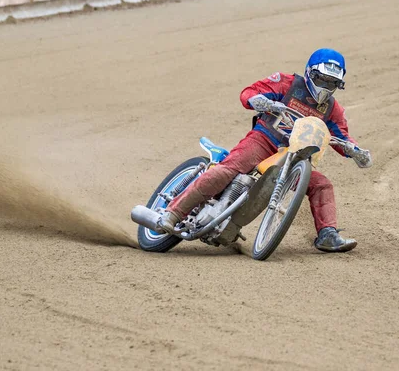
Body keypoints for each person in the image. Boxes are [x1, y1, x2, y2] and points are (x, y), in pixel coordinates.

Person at [157, 48, 372, 252]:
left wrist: (355, 151)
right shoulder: (286, 83)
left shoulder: (333, 109)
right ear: (309, 73)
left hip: (295, 156)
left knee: (321, 184)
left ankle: (327, 234)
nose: (325, 86)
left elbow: (342, 137)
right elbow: (249, 93)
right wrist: (260, 101)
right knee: (227, 171)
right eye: (322, 79)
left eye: (332, 82)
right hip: (263, 141)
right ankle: (173, 213)